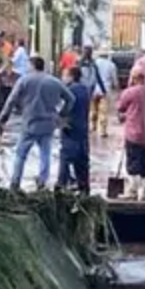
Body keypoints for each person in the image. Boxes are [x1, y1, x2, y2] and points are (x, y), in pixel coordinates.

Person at [0, 54, 73, 191]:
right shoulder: (54, 81)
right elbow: (71, 98)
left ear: (32, 66)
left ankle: (15, 182)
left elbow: (11, 100)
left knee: (21, 154)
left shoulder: (24, 80)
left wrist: (3, 118)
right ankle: (42, 182)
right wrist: (61, 114)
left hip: (30, 124)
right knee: (45, 154)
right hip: (48, 124)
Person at [116, 70, 145, 201]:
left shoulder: (130, 92)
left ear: (133, 78)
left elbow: (120, 107)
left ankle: (132, 191)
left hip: (133, 134)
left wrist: (124, 115)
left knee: (133, 163)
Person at [58, 64, 92, 194]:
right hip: (82, 128)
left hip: (70, 127)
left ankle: (62, 185)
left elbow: (62, 108)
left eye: (64, 75)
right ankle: (84, 187)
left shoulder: (68, 90)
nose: (63, 78)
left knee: (66, 157)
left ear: (71, 77)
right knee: (82, 159)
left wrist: (60, 118)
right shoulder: (85, 89)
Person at [90, 45, 118, 138]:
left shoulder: (94, 63)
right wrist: (116, 87)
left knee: (93, 109)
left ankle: (92, 127)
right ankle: (102, 131)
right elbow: (114, 79)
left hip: (93, 89)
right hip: (105, 90)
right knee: (103, 111)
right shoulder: (111, 65)